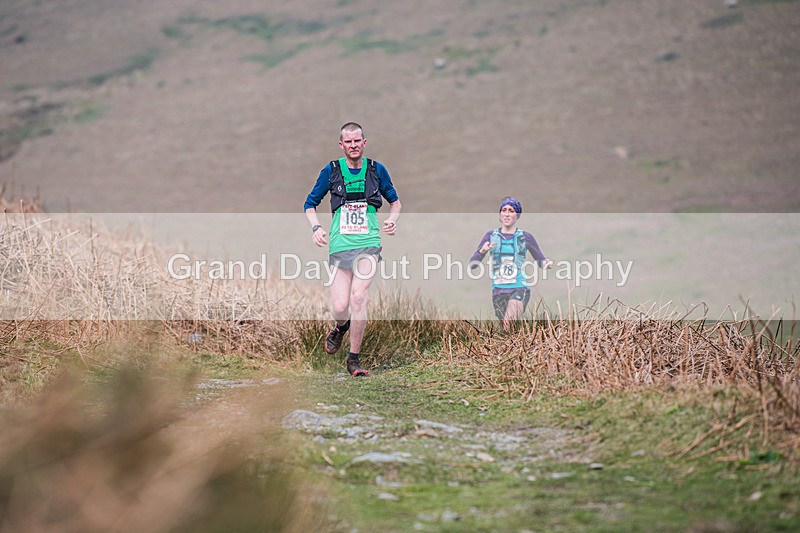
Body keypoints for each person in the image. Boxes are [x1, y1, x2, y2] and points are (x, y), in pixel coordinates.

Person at [304, 122, 401, 376]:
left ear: (364, 142)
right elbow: (309, 204)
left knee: (358, 298)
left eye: (357, 141)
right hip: (339, 245)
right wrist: (316, 228)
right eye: (348, 142)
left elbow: (396, 203)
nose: (353, 145)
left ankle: (353, 360)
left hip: (368, 244)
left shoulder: (376, 170)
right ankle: (340, 327)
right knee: (339, 306)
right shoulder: (331, 170)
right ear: (341, 145)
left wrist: (392, 220)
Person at [469, 197, 552, 330]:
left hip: (519, 287)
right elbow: (472, 264)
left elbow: (540, 260)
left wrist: (547, 263)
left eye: (511, 211)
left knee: (508, 323)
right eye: (504, 210)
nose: (507, 214)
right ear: (500, 214)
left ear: (517, 215)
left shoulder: (525, 237)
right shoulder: (491, 235)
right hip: (498, 290)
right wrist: (482, 250)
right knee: (507, 331)